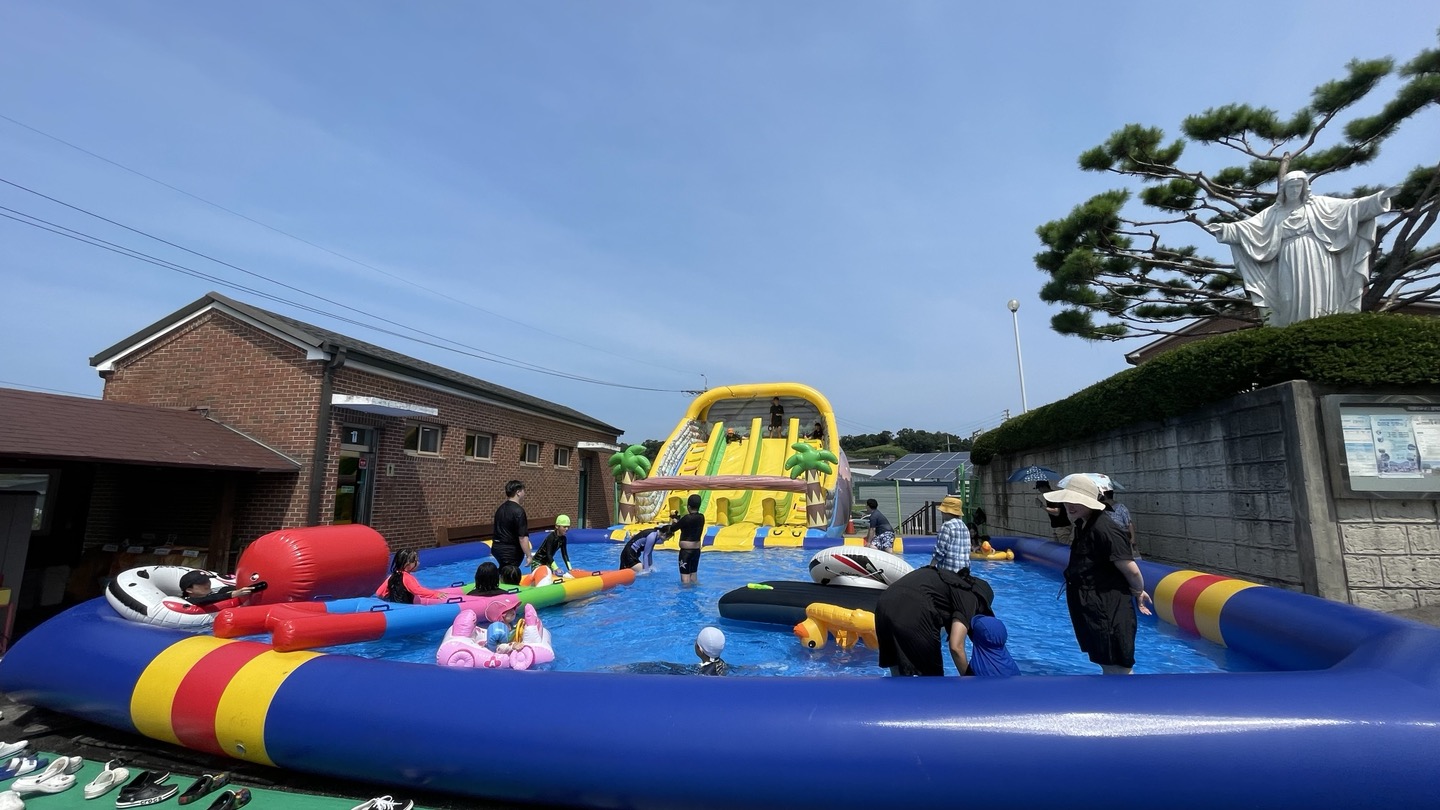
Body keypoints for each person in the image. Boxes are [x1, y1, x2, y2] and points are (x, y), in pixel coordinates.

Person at [1206, 170, 1400, 327]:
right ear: (1284, 189)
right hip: (1289, 256)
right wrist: (1224, 229)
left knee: (1320, 293)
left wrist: (1380, 198)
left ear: (1304, 188)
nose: (1294, 190)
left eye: (1298, 186)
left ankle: (1322, 326)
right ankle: (1292, 329)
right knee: (1288, 298)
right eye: (1291, 186)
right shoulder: (1273, 213)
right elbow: (1248, 228)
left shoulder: (1319, 205)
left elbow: (1353, 207)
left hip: (1318, 255)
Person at [1044, 474, 1152, 675]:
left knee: (1117, 666)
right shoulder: (1084, 524)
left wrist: (1138, 592)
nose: (1070, 505)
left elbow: (1131, 568)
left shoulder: (1105, 528)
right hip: (1093, 606)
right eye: (1067, 500)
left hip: (1107, 608)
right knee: (1105, 661)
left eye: (1076, 500)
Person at [874, 562, 995, 677]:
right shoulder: (971, 597)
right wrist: (969, 679)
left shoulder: (948, 580)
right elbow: (956, 647)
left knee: (897, 668)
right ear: (982, 600)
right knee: (932, 679)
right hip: (913, 608)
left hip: (883, 605)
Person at [376, 549, 447, 604]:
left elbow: (379, 593)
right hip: (407, 607)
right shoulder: (407, 577)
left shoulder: (391, 576)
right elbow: (417, 590)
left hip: (395, 606)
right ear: (407, 564)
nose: (419, 563)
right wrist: (435, 594)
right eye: (416, 561)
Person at [491, 480, 532, 569]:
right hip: (510, 551)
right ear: (518, 492)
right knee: (510, 573)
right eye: (523, 491)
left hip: (496, 548)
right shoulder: (519, 511)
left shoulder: (500, 508)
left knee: (503, 570)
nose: (524, 494)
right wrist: (529, 555)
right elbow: (522, 537)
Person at [667, 493, 706, 585]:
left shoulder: (686, 518)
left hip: (686, 552)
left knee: (685, 579)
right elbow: (690, 525)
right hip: (696, 551)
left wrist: (674, 521)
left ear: (688, 506)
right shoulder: (701, 517)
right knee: (694, 576)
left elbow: (673, 529)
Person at [931, 495, 971, 570]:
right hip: (963, 571)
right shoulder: (964, 526)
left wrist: (931, 566)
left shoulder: (947, 526)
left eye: (942, 511)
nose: (941, 512)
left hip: (949, 570)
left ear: (947, 512)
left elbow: (940, 550)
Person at [179, 570, 261, 606]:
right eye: (202, 583)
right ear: (189, 590)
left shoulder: (216, 591)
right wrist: (233, 594)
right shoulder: (186, 602)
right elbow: (203, 600)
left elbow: (222, 591)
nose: (207, 584)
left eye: (207, 580)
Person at [1100, 488, 1138, 559]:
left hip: (1121, 536)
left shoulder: (1121, 507)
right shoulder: (1101, 509)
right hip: (1108, 537)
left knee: (1122, 557)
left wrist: (1133, 538)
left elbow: (1129, 523)